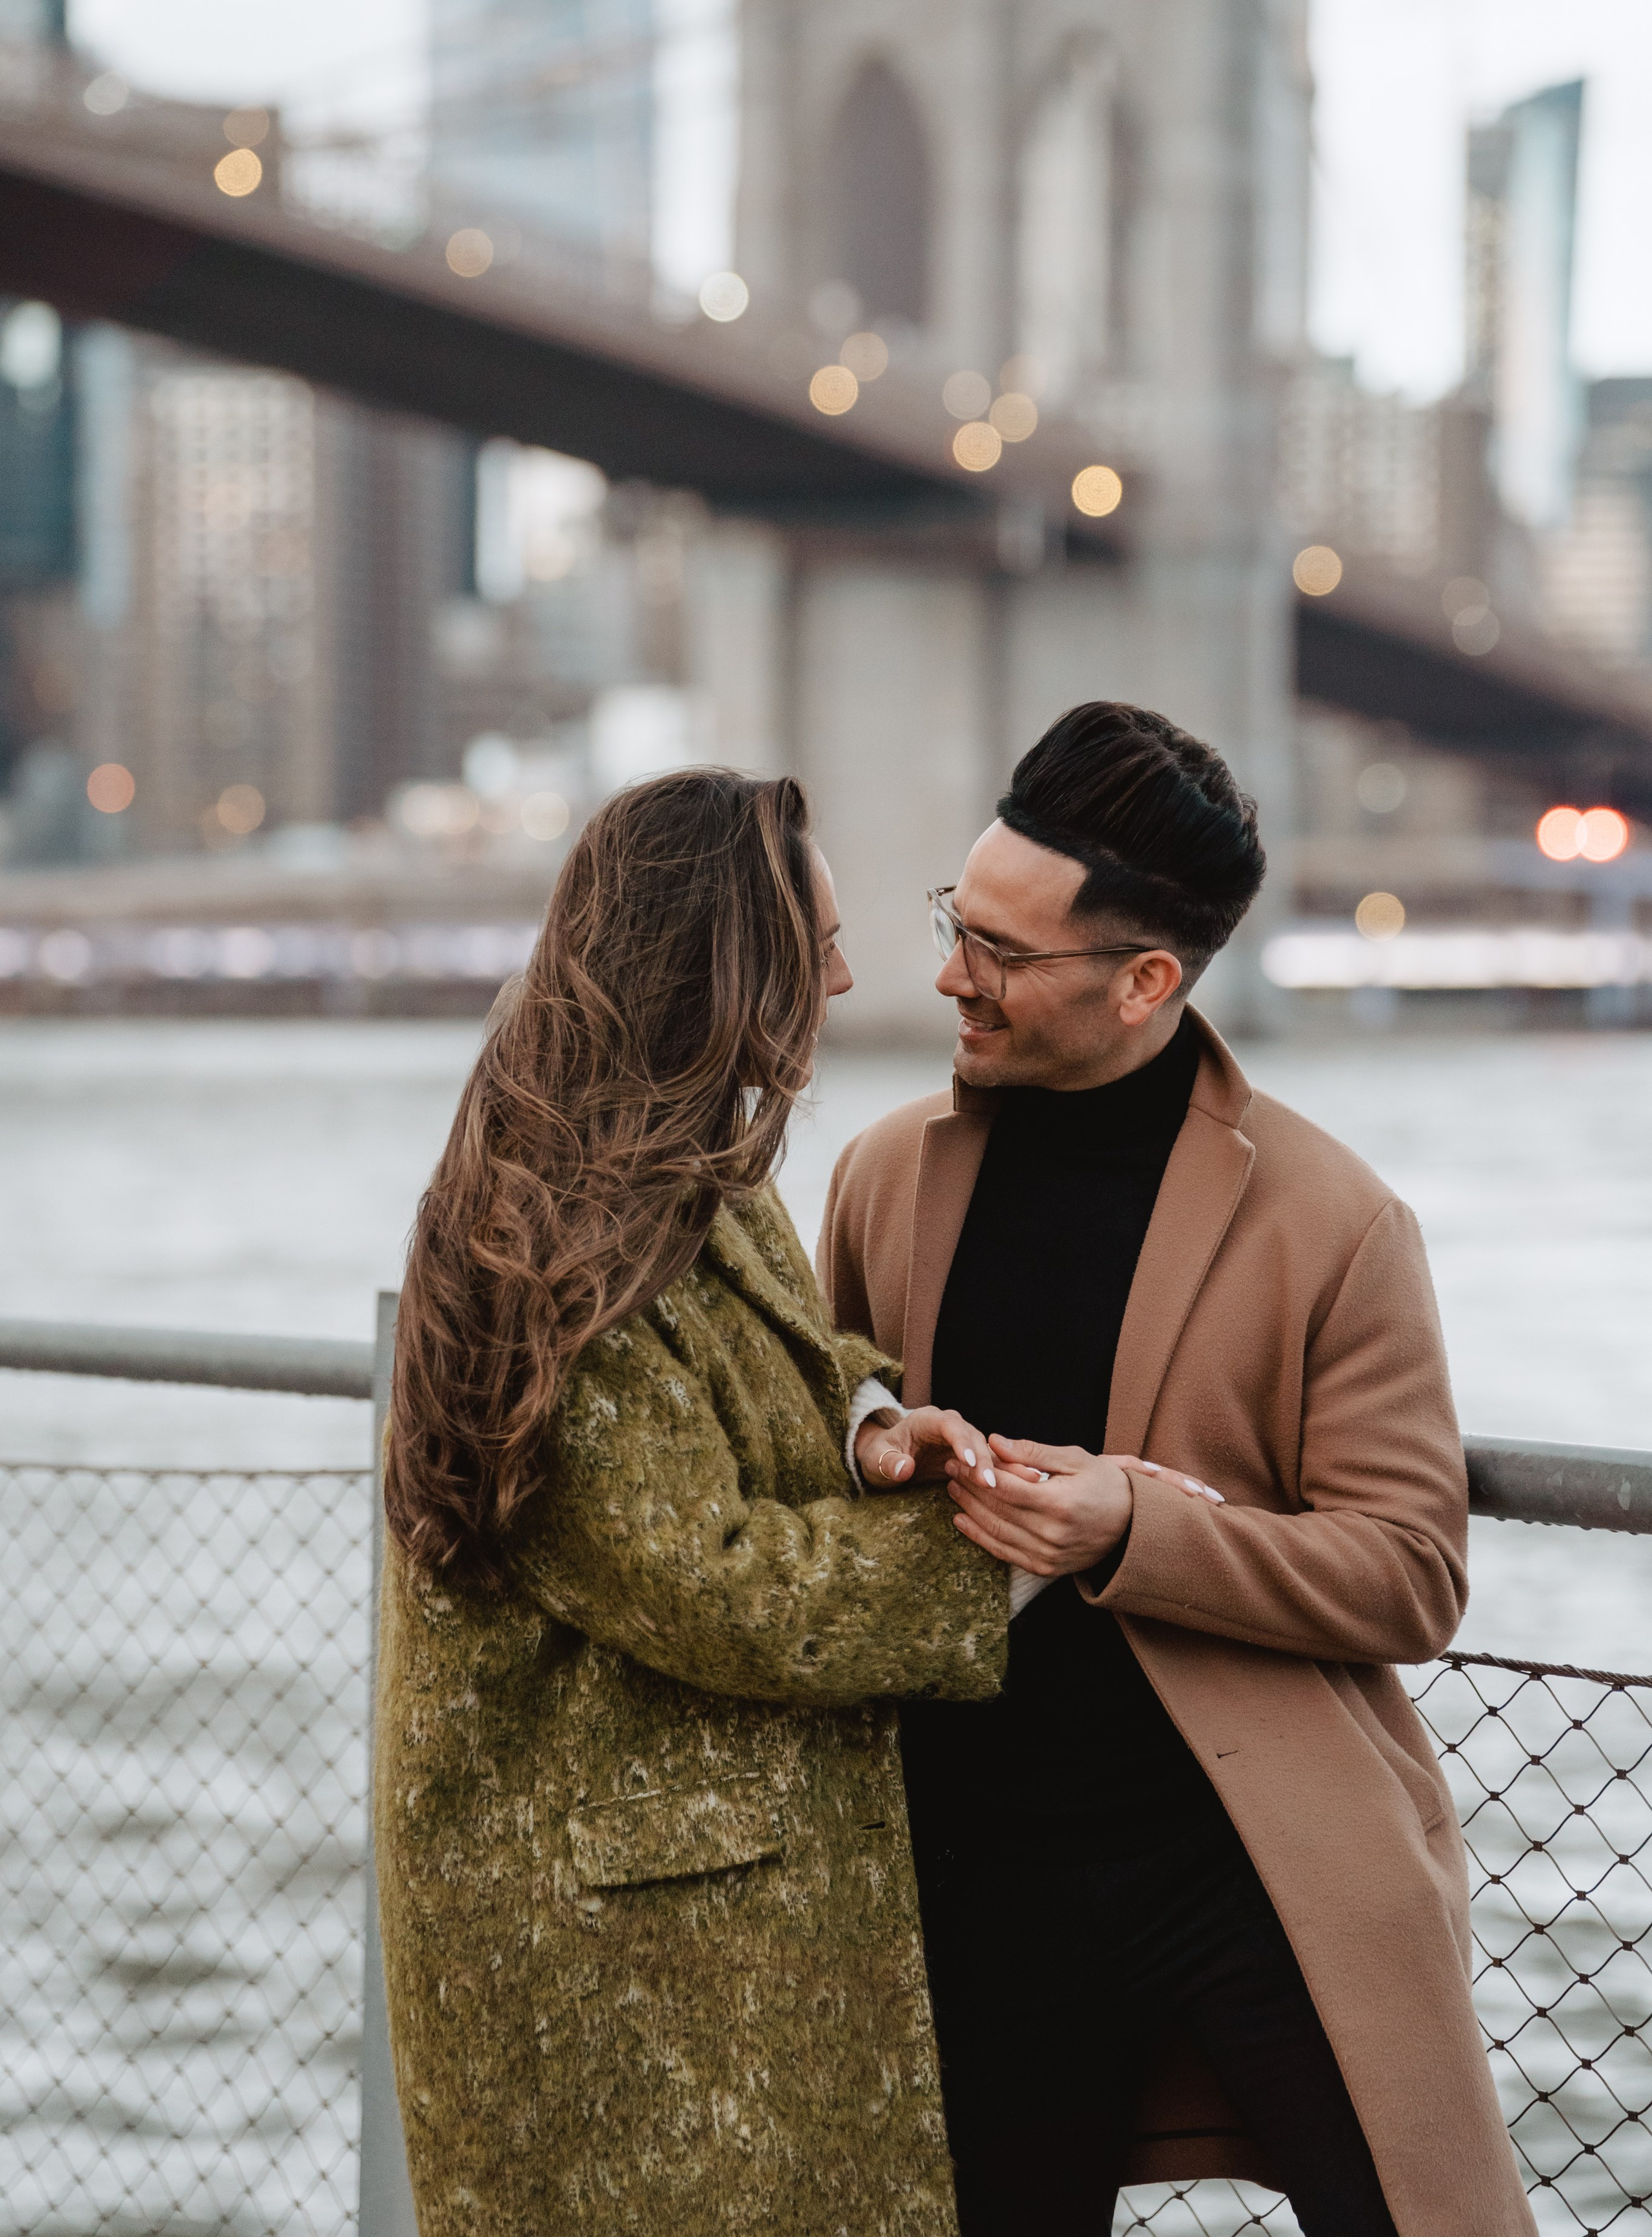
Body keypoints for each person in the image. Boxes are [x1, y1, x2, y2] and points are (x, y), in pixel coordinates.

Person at [372, 769, 1224, 2237]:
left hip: (688, 1910)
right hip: (620, 1952)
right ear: (723, 961)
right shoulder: (554, 1232)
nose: (841, 976)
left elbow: (768, 1356)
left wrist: (871, 1426)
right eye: (810, 942)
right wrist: (1019, 1542)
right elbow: (713, 1580)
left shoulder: (669, 1161)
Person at [818, 702, 1536, 2237]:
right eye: (960, 921)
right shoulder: (884, 1174)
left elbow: (1409, 1573)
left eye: (1001, 954)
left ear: (1146, 981)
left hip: (1257, 1866)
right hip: (961, 1877)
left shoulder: (1335, 1219)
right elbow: (822, 1443)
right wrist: (874, 1444)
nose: (952, 972)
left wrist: (1125, 1524)